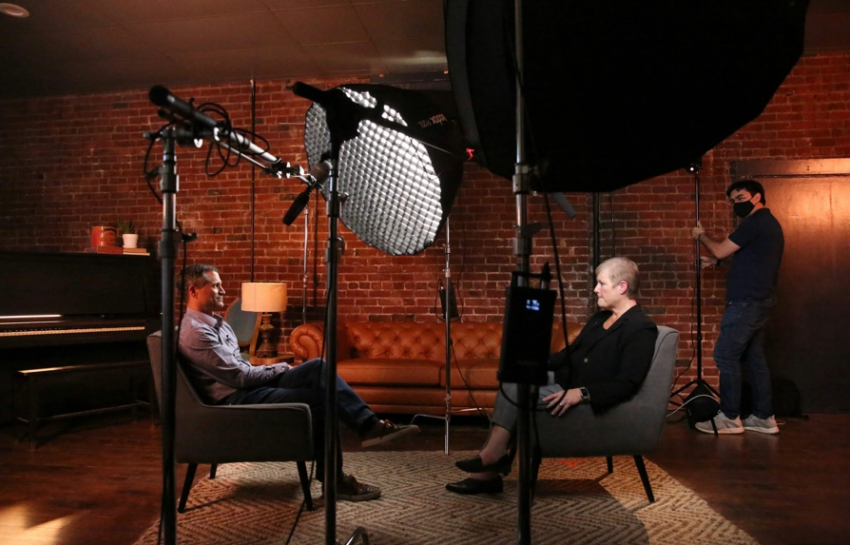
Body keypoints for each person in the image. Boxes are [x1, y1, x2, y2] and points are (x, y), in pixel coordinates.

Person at [177, 264, 419, 502]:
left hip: (248, 386)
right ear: (193, 291)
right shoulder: (197, 332)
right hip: (236, 398)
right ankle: (337, 480)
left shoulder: (217, 323)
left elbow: (242, 370)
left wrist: (274, 369)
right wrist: (282, 367)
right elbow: (239, 377)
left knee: (318, 367)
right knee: (321, 399)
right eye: (216, 286)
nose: (223, 291)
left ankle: (368, 425)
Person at [446, 257, 658, 495]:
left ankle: (490, 461)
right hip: (564, 381)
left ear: (622, 287)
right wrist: (533, 363)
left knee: (519, 390)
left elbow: (628, 383)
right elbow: (570, 354)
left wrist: (583, 392)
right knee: (516, 376)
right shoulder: (600, 319)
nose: (595, 289)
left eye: (601, 283)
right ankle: (491, 464)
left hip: (588, 397)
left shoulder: (640, 328)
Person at [691, 178, 784, 435]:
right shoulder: (768, 225)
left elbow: (721, 250)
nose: (736, 204)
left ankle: (730, 418)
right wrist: (718, 265)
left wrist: (701, 236)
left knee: (725, 355)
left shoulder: (755, 223)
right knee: (753, 358)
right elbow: (753, 264)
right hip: (759, 300)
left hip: (747, 302)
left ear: (757, 197)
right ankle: (764, 418)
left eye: (741, 198)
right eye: (733, 201)